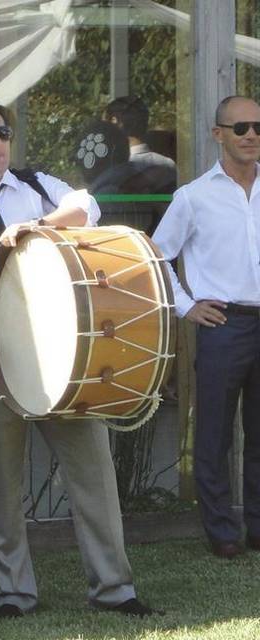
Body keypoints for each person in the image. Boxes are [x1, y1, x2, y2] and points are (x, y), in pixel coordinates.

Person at [0, 99, 154, 617]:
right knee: (0, 480)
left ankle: (115, 590)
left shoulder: (38, 187)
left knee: (91, 471)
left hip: (61, 346)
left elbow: (88, 206)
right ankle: (14, 594)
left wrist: (39, 224)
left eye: (2, 133)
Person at [151, 95, 260, 560]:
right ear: (218, 134)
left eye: (257, 126)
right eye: (240, 128)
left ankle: (257, 528)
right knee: (214, 433)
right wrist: (185, 306)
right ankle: (222, 532)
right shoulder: (193, 196)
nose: (251, 135)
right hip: (224, 324)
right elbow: (156, 257)